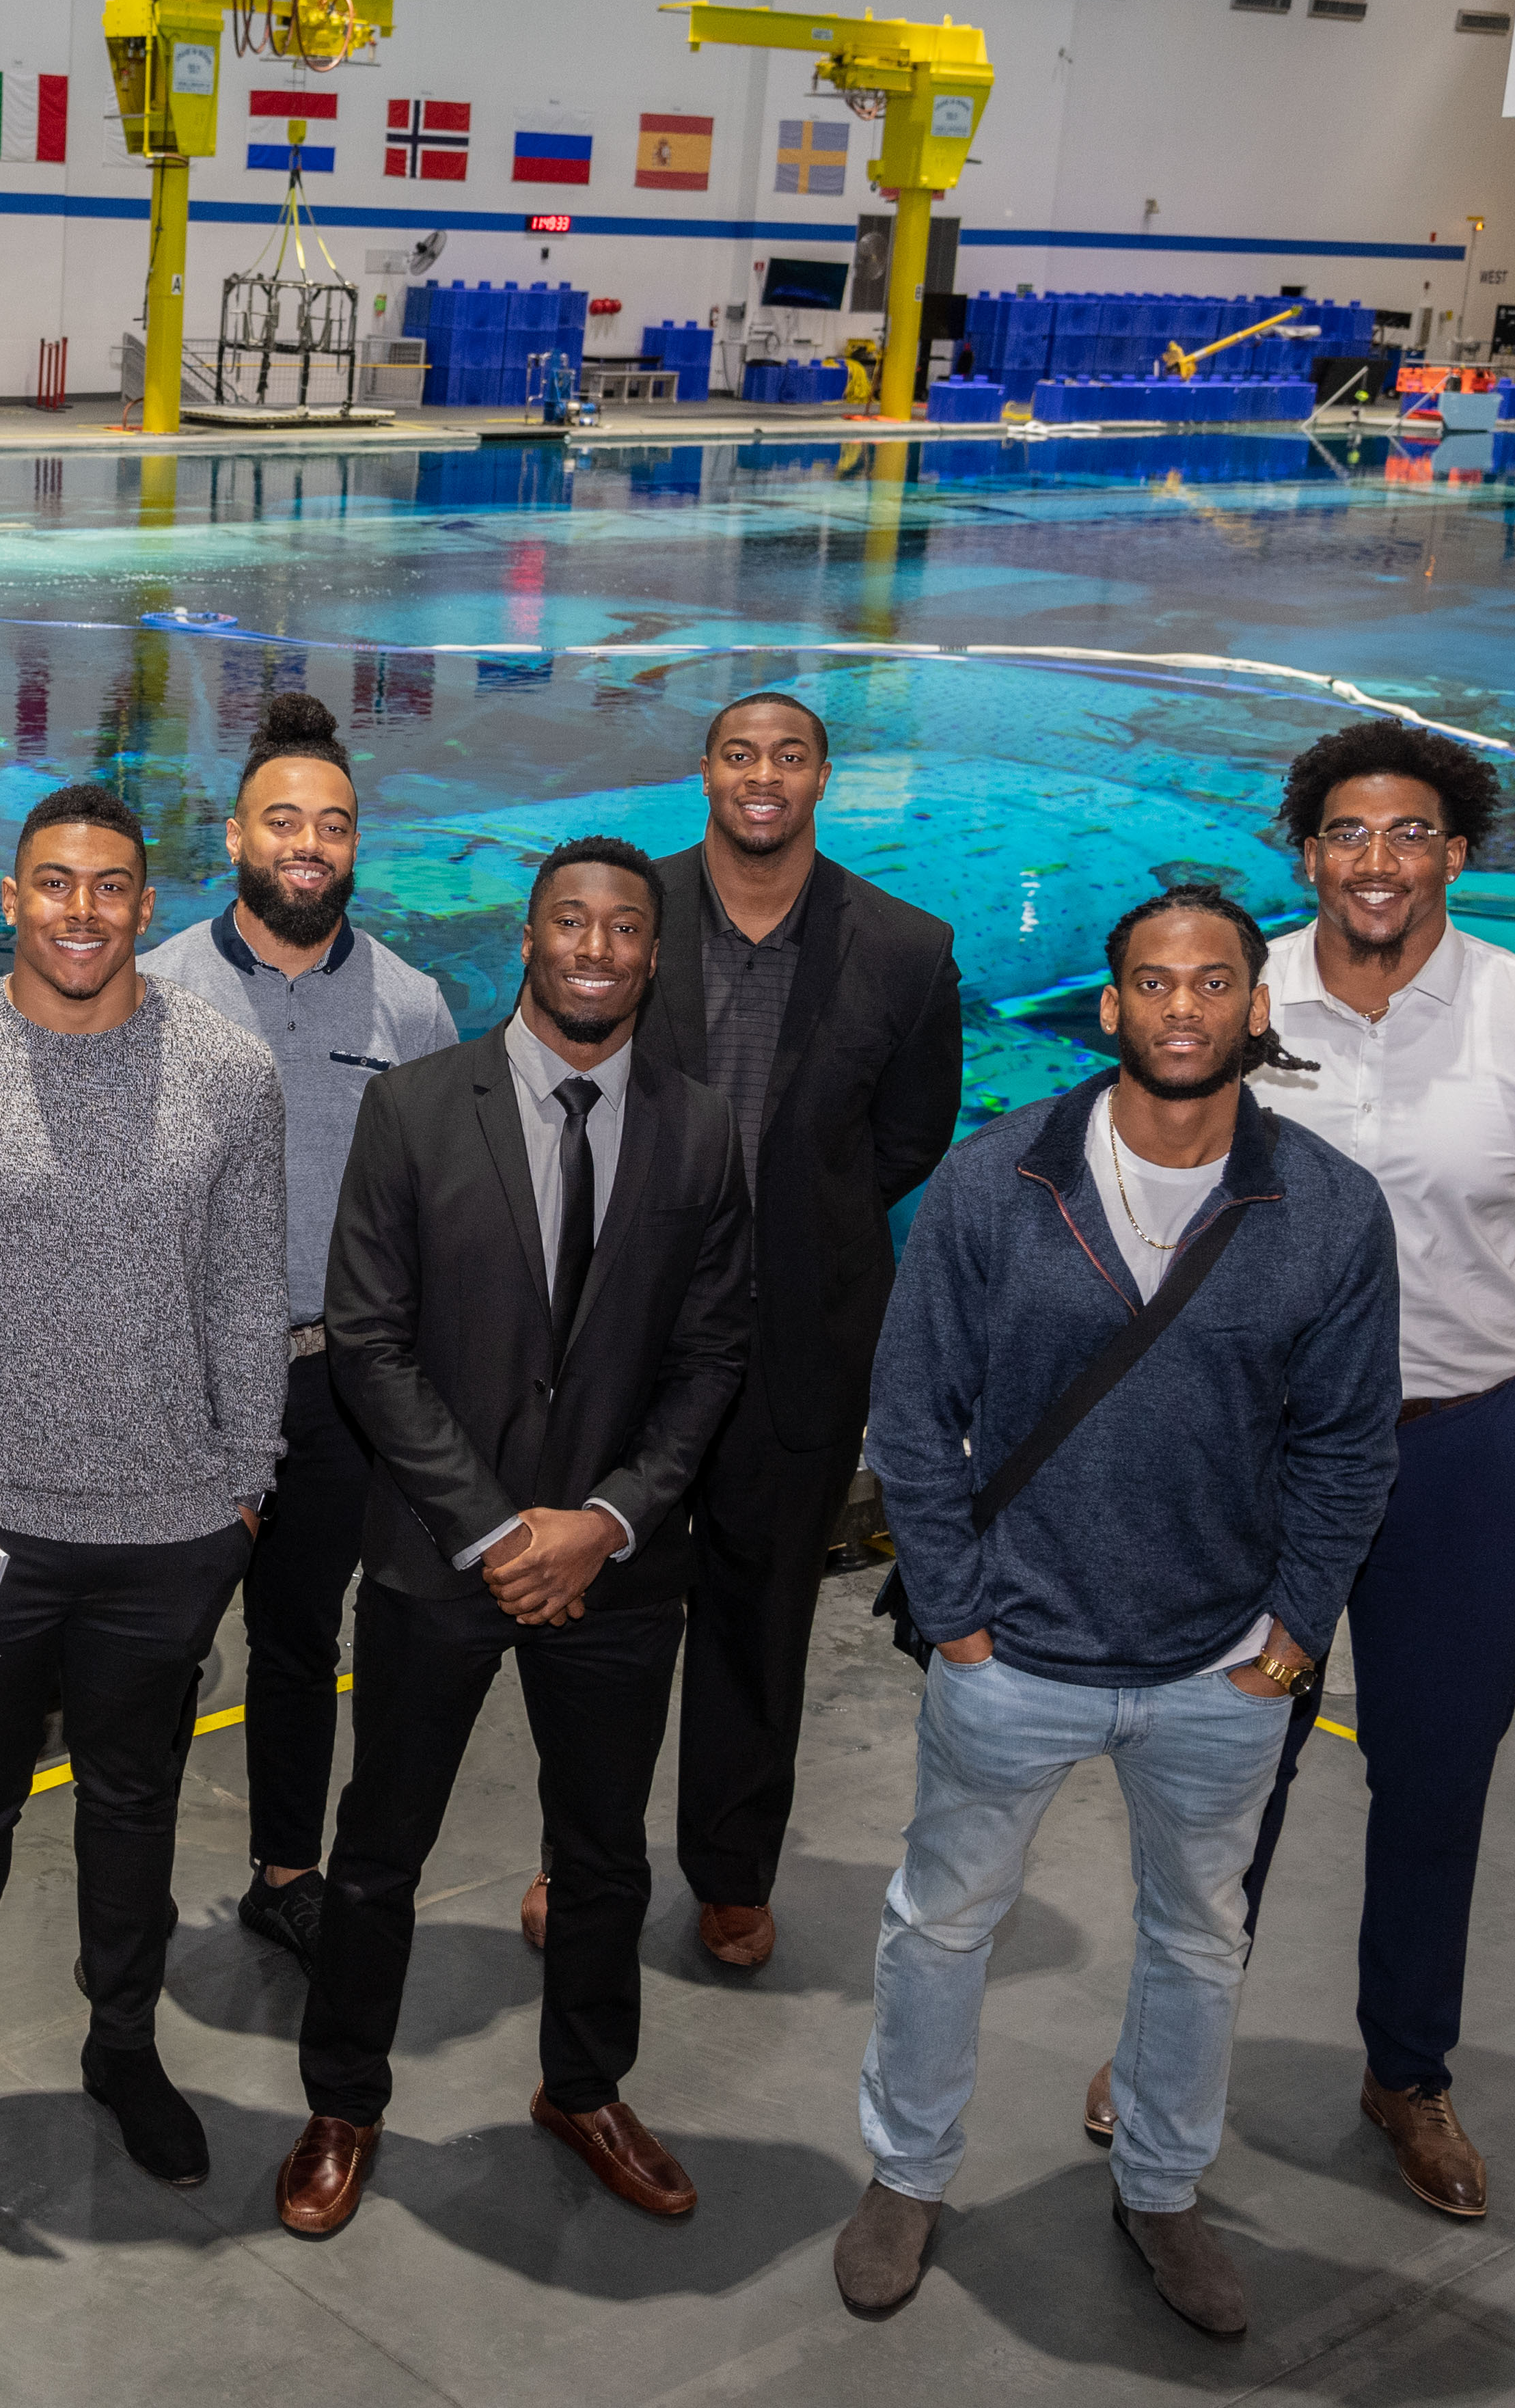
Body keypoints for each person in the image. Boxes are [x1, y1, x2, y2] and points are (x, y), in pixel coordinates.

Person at [1084, 724, 1515, 2219]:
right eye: (1346, 833)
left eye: (1408, 834)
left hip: (1459, 1451)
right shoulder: (1233, 993)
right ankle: (1162, 2038)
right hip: (1255, 1459)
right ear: (1306, 850)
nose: (1376, 862)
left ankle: (1409, 2070)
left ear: (1457, 850)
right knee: (1217, 1772)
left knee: (1437, 1778)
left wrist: (1462, 1333)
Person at [837, 887, 1397, 2337]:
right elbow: (914, 1409)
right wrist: (955, 1612)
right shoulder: (997, 1180)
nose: (1184, 1009)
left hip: (1220, 1664)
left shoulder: (1327, 1207)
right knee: (941, 1924)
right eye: (1155, 983)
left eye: (1215, 982)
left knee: (1198, 1943)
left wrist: (1290, 1635)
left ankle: (1161, 2186)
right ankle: (905, 2174)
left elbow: (1348, 1443)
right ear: (1112, 1007)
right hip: (1012, 1655)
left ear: (1255, 1008)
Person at [275, 837, 752, 2241]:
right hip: (441, 1558)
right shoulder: (418, 1109)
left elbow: (715, 1356)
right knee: (378, 1851)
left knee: (604, 1853)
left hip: (619, 1566)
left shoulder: (700, 1128)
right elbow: (367, 1340)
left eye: (623, 926)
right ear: (528, 940)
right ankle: (344, 2102)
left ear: (653, 957)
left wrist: (605, 1519)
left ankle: (584, 2085)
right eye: (568, 920)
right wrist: (493, 1529)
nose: (595, 944)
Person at [0, 781, 288, 2221]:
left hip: (168, 1535)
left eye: (110, 886)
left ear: (144, 903)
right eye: (55, 884)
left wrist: (245, 1489)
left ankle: (123, 2044)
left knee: (136, 1805)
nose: (82, 911)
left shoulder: (229, 1078)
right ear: (11, 899)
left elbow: (245, 1296)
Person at [559, 691, 959, 1971]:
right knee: (601, 1620)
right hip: (622, 1334)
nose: (764, 776)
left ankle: (733, 1872)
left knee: (760, 1612)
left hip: (798, 1335)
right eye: (742, 755)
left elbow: (908, 1138)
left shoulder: (903, 946)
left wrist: (794, 1224)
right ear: (706, 772)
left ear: (824, 778)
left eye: (790, 756)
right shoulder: (629, 915)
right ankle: (583, 1862)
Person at [144, 692, 458, 1965]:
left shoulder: (413, 1004)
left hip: (330, 1386)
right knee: (157, 1648)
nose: (309, 845)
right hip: (172, 1379)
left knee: (297, 1638)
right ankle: (132, 1882)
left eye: (333, 825)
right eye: (284, 821)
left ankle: (286, 1869)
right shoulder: (152, 987)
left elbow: (443, 1202)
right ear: (234, 839)